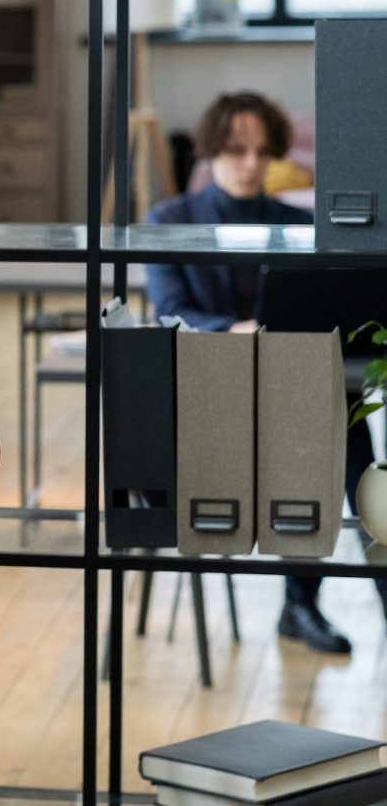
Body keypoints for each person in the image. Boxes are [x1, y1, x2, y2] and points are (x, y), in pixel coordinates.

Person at [146, 90, 386, 655]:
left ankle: (321, 601)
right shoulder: (171, 219)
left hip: (294, 381)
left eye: (261, 151)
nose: (251, 164)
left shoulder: (296, 221)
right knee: (327, 432)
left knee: (340, 428)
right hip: (219, 388)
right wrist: (236, 331)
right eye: (236, 150)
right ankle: (304, 603)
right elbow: (170, 308)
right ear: (211, 152)